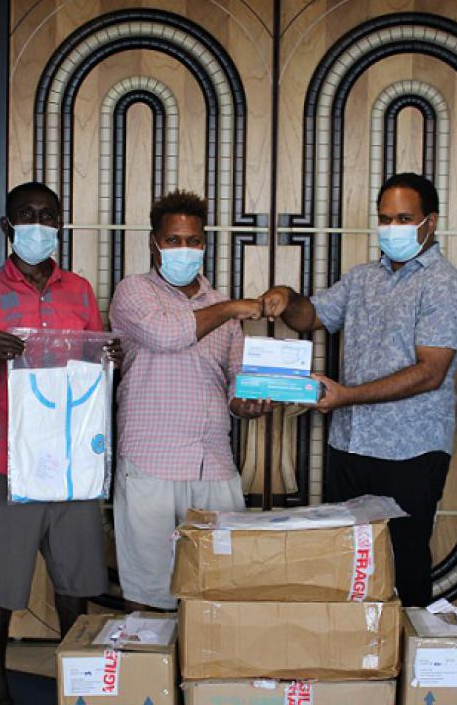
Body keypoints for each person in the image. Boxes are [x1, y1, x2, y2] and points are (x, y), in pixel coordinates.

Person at [259, 172, 457, 607]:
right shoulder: (363, 279)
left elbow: (430, 372)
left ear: (430, 222)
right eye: (384, 218)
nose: (391, 228)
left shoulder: (444, 285)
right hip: (351, 444)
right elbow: (311, 317)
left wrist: (347, 396)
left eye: (403, 218)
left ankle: (403, 666)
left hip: (410, 451)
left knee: (405, 560)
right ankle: (353, 662)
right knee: (348, 561)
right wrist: (288, 297)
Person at [0, 182, 120, 705]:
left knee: (76, 582)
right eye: (27, 215)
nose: (38, 224)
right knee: (0, 585)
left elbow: (96, 366)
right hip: (9, 464)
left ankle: (74, 683)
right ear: (8, 227)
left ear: (59, 225)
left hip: (72, 468)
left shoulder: (81, 291)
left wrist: (112, 358)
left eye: (48, 215)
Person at [108, 189, 270, 610]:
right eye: (174, 241)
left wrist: (247, 404)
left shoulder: (224, 309)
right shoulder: (133, 292)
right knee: (149, 591)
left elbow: (237, 381)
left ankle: (204, 675)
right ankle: (151, 673)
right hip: (151, 463)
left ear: (204, 243)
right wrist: (233, 306)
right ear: (154, 243)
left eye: (193, 241)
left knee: (221, 589)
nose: (185, 250)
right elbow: (168, 334)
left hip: (213, 464)